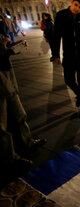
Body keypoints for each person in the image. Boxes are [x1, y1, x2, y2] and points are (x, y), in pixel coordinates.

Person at [0, 34, 47, 173]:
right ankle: (9, 159)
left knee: (19, 114)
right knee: (1, 125)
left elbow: (3, 51)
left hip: (6, 74)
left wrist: (12, 46)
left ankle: (26, 142)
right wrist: (3, 47)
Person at [53, 0, 80, 117]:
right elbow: (56, 36)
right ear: (71, 2)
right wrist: (55, 54)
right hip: (68, 54)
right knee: (69, 80)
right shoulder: (61, 15)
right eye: (76, 5)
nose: (77, 8)